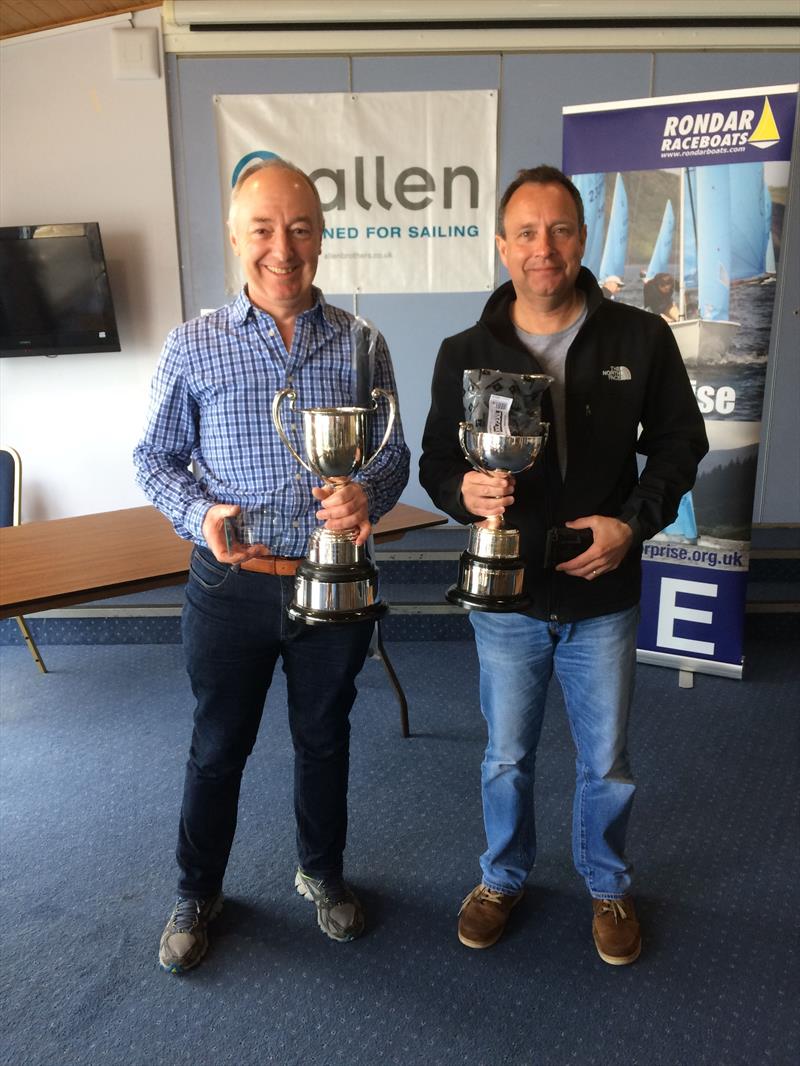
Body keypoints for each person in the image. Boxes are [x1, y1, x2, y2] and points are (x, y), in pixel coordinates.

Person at [419, 165, 707, 965]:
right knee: (506, 755)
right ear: (502, 244)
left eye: (561, 231)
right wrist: (462, 490)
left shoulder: (639, 338)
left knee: (607, 761)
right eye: (526, 232)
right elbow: (435, 460)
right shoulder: (463, 352)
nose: (543, 249)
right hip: (506, 597)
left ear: (581, 240)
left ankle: (607, 882)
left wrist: (631, 524)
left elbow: (683, 444)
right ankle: (503, 876)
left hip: (602, 593)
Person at [134, 158, 410, 974]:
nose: (282, 249)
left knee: (324, 738)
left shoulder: (363, 344)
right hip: (231, 588)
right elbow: (154, 459)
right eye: (263, 230)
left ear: (321, 236)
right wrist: (199, 513)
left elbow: (389, 459)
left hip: (334, 584)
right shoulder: (194, 344)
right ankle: (196, 891)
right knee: (217, 744)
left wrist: (368, 495)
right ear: (234, 236)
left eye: (299, 228)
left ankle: (321, 873)